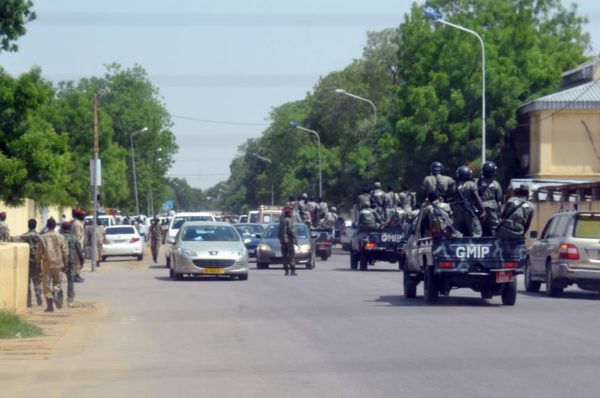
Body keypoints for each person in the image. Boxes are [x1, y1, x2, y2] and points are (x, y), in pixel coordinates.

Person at [35, 218, 68, 312]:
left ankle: (50, 306)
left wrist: (37, 263)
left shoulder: (43, 237)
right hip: (58, 264)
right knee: (57, 282)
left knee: (46, 284)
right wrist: (65, 264)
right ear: (54, 226)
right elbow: (65, 252)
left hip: (47, 264)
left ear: (47, 226)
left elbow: (39, 253)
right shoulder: (61, 237)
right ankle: (56, 293)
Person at [452, 166, 485, 237]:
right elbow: (477, 198)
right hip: (469, 211)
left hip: (457, 211)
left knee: (456, 231)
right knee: (476, 232)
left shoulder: (455, 185)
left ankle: (456, 245)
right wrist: (482, 210)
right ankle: (475, 246)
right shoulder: (471, 184)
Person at [61, 221, 85, 308]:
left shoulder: (59, 238)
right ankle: (70, 300)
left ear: (62, 228)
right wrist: (82, 261)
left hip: (59, 262)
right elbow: (79, 251)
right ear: (70, 228)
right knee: (70, 280)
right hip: (71, 262)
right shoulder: (74, 238)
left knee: (57, 280)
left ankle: (58, 296)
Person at [20, 219, 42, 307]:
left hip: (26, 262)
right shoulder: (40, 237)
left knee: (27, 282)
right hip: (37, 261)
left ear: (28, 225)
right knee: (37, 280)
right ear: (35, 225)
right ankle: (38, 294)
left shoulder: (23, 236)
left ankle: (28, 302)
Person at [477, 161, 503, 236]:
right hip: (492, 208)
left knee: (479, 228)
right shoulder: (496, 184)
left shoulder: (478, 182)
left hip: (479, 207)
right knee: (494, 228)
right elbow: (499, 198)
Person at [278, 206, 298, 276]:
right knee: (291, 256)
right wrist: (296, 239)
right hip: (289, 241)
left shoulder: (282, 221)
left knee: (285, 256)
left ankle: (286, 270)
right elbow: (291, 230)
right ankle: (292, 270)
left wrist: (281, 239)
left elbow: (279, 232)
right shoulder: (289, 220)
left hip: (283, 241)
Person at [71, 208, 86, 282]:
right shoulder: (77, 224)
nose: (83, 216)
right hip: (77, 245)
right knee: (78, 261)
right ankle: (76, 275)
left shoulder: (79, 223)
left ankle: (77, 275)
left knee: (79, 261)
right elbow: (77, 237)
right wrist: (79, 247)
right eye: (82, 215)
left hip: (79, 245)